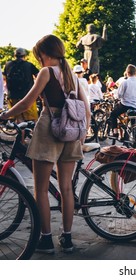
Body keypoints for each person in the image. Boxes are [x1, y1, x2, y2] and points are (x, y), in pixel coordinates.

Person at [0, 34, 91, 254]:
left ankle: (46, 239)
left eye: (38, 55)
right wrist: (82, 134)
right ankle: (67, 239)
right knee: (67, 187)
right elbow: (86, 108)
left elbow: (27, 102)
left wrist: (5, 116)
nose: (38, 60)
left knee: (40, 189)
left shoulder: (46, 72)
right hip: (71, 130)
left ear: (44, 53)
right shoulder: (72, 75)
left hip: (50, 129)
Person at [108, 64, 136, 138]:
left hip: (125, 105)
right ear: (135, 73)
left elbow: (119, 95)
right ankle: (135, 139)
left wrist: (115, 96)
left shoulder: (125, 82)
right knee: (134, 124)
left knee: (113, 114)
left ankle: (115, 133)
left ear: (127, 73)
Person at [3, 48, 40, 122]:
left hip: (13, 96)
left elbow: (5, 79)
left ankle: (21, 133)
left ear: (14, 55)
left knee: (19, 119)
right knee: (32, 119)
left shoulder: (8, 65)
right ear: (25, 55)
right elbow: (38, 77)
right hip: (28, 96)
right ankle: (31, 133)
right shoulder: (29, 65)